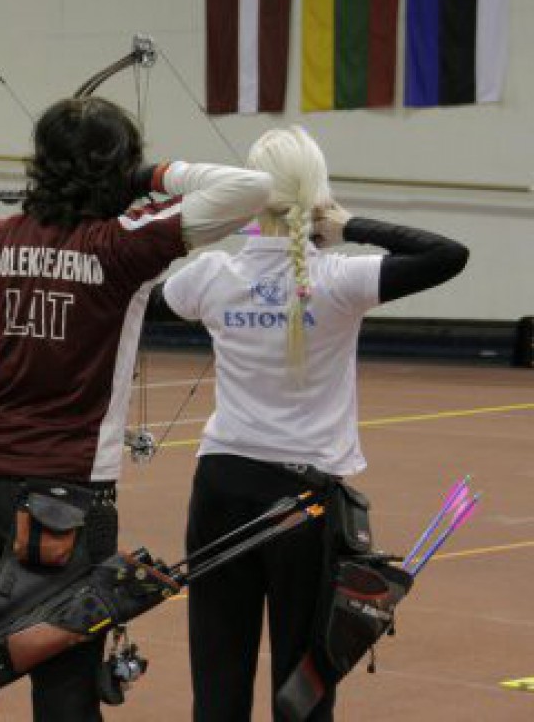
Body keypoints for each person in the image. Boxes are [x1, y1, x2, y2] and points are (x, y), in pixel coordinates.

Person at [0, 96, 274, 721]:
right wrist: (147, 175)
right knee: (65, 689)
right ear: (118, 166)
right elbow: (251, 188)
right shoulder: (125, 243)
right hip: (65, 498)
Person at [161, 126, 469, 722]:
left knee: (218, 678)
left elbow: (133, 297)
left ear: (252, 195)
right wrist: (347, 226)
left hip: (222, 488)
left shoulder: (211, 274)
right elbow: (446, 254)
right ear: (317, 196)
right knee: (305, 686)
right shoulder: (337, 278)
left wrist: (205, 220)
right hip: (303, 504)